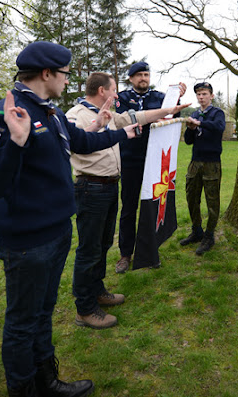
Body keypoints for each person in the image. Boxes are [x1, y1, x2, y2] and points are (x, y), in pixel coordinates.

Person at [0, 42, 138, 397]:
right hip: (28, 242)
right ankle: (24, 389)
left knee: (43, 312)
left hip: (57, 230)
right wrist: (16, 143)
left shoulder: (49, 112)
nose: (67, 79)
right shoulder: (7, 115)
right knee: (22, 322)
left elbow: (79, 140)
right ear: (47, 74)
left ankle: (46, 381)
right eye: (64, 73)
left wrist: (122, 132)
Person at [65, 72, 189, 330]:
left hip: (109, 187)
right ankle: (85, 309)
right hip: (91, 188)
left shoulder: (110, 114)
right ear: (102, 91)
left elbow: (138, 117)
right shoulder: (75, 114)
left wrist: (170, 109)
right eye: (114, 90)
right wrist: (97, 125)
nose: (117, 95)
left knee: (102, 245)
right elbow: (75, 144)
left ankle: (98, 291)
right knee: (88, 250)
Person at [115, 62, 186, 273]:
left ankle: (150, 251)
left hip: (154, 162)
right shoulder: (123, 98)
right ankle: (125, 254)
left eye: (146, 74)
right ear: (130, 79)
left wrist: (177, 96)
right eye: (139, 75)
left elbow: (169, 114)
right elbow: (134, 119)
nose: (143, 78)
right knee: (128, 208)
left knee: (152, 206)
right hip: (131, 160)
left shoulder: (159, 97)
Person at [180, 81, 226, 255]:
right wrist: (190, 128)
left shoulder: (217, 113)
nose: (201, 97)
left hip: (211, 163)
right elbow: (189, 140)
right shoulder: (194, 114)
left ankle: (209, 235)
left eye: (205, 94)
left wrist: (199, 124)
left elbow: (219, 127)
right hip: (195, 162)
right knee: (191, 196)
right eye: (199, 94)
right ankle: (197, 230)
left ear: (211, 96)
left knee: (212, 201)